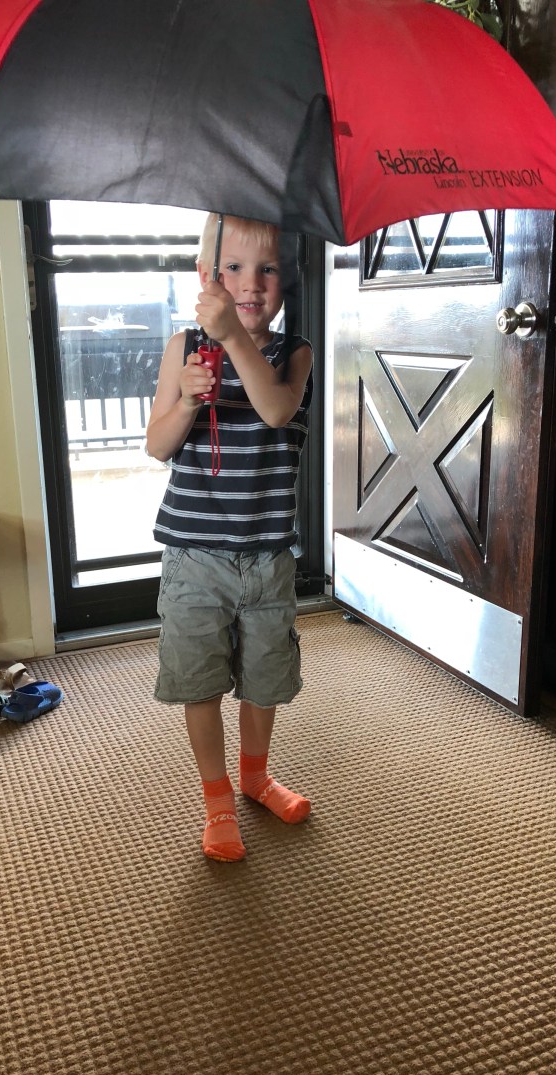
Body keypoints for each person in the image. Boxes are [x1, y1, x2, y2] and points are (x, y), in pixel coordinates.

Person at [145, 212, 314, 862]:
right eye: (233, 268)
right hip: (194, 556)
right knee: (199, 680)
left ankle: (255, 777)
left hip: (267, 556)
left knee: (264, 679)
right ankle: (216, 799)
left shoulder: (293, 353)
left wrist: (233, 339)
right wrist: (188, 401)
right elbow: (157, 445)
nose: (251, 283)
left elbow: (275, 408)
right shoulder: (183, 348)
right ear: (205, 276)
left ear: (285, 279)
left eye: (267, 269)